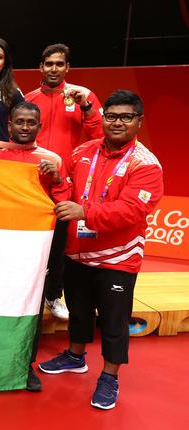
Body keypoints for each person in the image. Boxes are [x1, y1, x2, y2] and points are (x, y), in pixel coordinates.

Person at [39, 90, 163, 410]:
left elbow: (131, 211)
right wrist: (56, 179)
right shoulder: (82, 151)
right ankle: (75, 356)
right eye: (111, 116)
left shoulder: (146, 165)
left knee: (113, 320)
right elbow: (68, 191)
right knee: (78, 310)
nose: (117, 122)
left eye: (125, 117)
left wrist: (85, 213)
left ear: (139, 122)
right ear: (103, 118)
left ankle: (109, 376)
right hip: (77, 251)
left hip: (117, 258)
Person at [0, 101, 71, 392]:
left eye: (31, 123)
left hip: (33, 254)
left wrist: (58, 179)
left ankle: (24, 366)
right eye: (20, 122)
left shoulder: (52, 159)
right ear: (9, 126)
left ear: (39, 127)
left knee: (30, 310)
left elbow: (62, 202)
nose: (25, 127)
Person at [25, 44, 105, 319]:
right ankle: (27, 295)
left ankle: (53, 295)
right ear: (41, 67)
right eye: (49, 64)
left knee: (61, 243)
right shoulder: (29, 99)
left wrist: (87, 106)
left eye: (60, 64)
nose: (54, 69)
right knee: (31, 242)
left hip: (64, 182)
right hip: (31, 183)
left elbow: (99, 135)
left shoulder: (83, 97)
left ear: (67, 68)